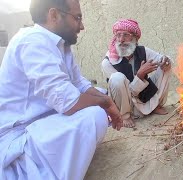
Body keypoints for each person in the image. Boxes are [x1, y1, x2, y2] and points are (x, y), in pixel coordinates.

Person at [0, 0, 123, 179]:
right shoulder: (32, 41)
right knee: (94, 114)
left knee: (99, 94)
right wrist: (105, 103)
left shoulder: (60, 45)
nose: (81, 26)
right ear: (54, 15)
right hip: (19, 137)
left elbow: (79, 84)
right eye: (77, 17)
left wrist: (107, 100)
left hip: (43, 123)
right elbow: (68, 102)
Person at [101, 19, 172, 128]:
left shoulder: (142, 51)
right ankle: (124, 116)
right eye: (118, 35)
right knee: (117, 78)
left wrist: (165, 60)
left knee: (166, 66)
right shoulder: (107, 62)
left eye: (125, 35)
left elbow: (161, 58)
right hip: (126, 103)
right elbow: (129, 92)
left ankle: (154, 106)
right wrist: (139, 75)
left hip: (143, 96)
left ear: (135, 38)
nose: (121, 40)